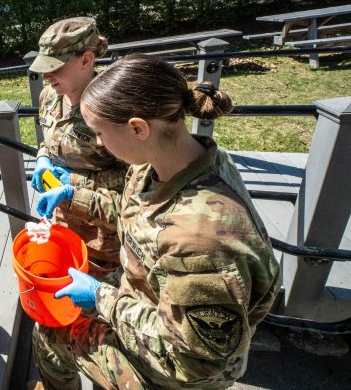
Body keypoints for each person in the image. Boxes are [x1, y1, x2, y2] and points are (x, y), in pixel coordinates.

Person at [31, 54, 281, 389]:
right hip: (144, 298)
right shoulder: (162, 162)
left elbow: (197, 363)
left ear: (138, 128)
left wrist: (102, 298)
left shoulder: (199, 243)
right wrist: (70, 197)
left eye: (100, 133)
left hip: (171, 370)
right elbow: (134, 211)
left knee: (49, 334)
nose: (100, 143)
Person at [29, 17, 128, 280]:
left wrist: (72, 183)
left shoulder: (113, 108)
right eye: (43, 68)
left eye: (55, 67)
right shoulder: (49, 97)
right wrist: (42, 159)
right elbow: (49, 141)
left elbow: (135, 177)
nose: (46, 77)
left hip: (101, 236)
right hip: (62, 219)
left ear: (86, 60)